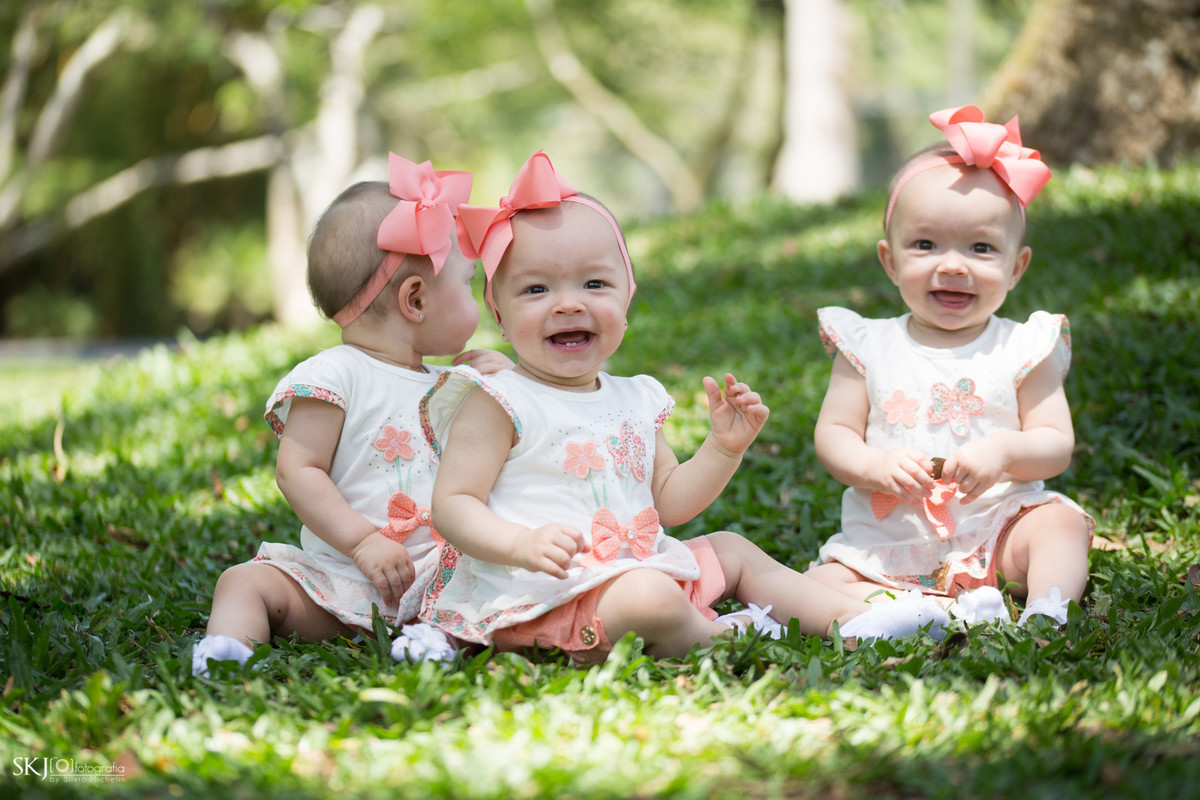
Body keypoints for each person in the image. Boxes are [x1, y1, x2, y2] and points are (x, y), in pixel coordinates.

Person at [415, 151, 943, 663]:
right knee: (650, 597)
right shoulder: (500, 400)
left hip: (638, 568)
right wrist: (520, 544)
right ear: (499, 315)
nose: (569, 302)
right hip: (544, 595)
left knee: (731, 550)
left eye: (595, 283)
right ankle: (724, 639)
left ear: (627, 296)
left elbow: (668, 505)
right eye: (535, 289)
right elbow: (455, 503)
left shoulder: (633, 399)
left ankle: (858, 619)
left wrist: (723, 448)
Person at [193, 155, 512, 676]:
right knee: (244, 581)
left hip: (441, 576)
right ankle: (230, 649)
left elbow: (504, 461)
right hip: (339, 581)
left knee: (495, 570)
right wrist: (363, 542)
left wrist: (507, 387)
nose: (477, 301)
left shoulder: (453, 384)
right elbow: (298, 470)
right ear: (415, 300)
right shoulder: (334, 375)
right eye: (467, 284)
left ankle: (435, 638)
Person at [806, 105, 1095, 629]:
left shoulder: (1023, 347)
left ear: (1016, 267)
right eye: (925, 244)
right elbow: (835, 432)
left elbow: (1055, 442)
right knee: (815, 586)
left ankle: (1047, 610)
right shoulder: (867, 345)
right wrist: (873, 467)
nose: (953, 264)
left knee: (1058, 525)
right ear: (890, 261)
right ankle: (904, 615)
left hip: (997, 532)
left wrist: (1005, 450)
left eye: (981, 248)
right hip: (889, 547)